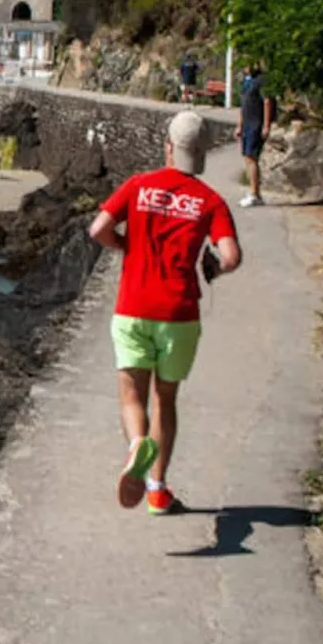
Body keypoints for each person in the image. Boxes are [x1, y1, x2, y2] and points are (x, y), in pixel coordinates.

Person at [88, 110, 242, 514]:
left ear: (169, 147)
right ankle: (157, 490)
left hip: (133, 307)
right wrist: (212, 268)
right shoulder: (211, 201)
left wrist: (124, 245)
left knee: (131, 396)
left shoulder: (138, 185)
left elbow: (98, 229)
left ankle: (137, 444)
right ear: (202, 153)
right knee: (166, 399)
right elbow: (231, 256)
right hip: (179, 314)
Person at [236, 64, 274, 207]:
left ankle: (255, 194)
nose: (245, 68)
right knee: (247, 157)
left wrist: (266, 125)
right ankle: (253, 190)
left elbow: (267, 102)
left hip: (255, 123)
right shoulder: (247, 82)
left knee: (251, 157)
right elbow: (243, 105)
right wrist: (239, 125)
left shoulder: (261, 81)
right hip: (247, 123)